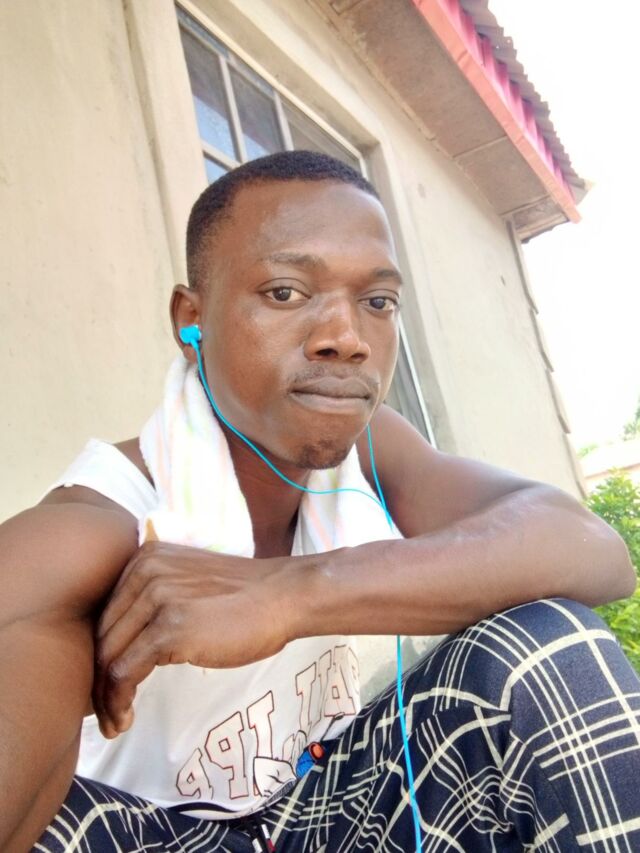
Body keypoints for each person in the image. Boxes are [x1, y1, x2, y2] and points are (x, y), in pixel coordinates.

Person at [1, 150, 639, 853]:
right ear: (192, 320)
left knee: (543, 646)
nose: (347, 338)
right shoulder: (99, 527)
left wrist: (288, 594)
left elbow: (590, 548)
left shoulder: (371, 450)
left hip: (330, 812)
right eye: (285, 292)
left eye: (378, 302)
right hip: (150, 834)